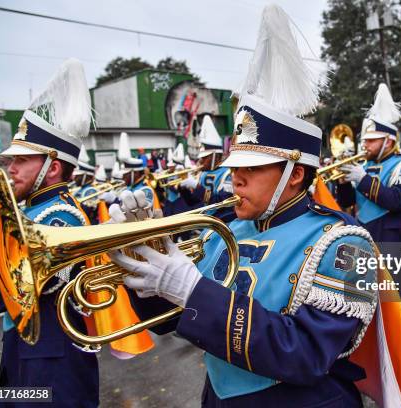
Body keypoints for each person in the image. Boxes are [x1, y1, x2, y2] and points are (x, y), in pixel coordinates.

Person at [109, 6, 377, 406]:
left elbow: (305, 355)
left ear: (296, 173)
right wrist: (145, 260)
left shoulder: (348, 245)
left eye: (252, 168)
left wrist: (193, 290)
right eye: (236, 166)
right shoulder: (225, 228)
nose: (236, 178)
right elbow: (169, 321)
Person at [0, 58, 99, 407]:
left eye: (22, 160)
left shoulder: (60, 218)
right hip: (21, 355)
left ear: (53, 168)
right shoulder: (29, 211)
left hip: (52, 368)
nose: (10, 167)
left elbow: (0, 288)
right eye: (11, 160)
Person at [336, 83, 401, 329]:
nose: (366, 145)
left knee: (399, 308)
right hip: (364, 241)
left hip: (396, 242)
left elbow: (398, 201)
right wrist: (343, 183)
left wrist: (362, 179)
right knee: (362, 305)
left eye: (373, 140)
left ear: (389, 140)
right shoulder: (363, 166)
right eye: (366, 140)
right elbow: (348, 204)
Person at [180, 114, 235, 222]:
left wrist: (197, 186)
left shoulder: (228, 173)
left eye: (205, 158)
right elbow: (193, 202)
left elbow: (224, 202)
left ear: (215, 156)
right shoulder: (203, 173)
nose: (200, 161)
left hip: (224, 222)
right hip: (207, 222)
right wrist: (183, 190)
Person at [117, 131, 160, 209]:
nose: (123, 178)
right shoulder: (129, 187)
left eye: (125, 174)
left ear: (135, 173)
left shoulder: (145, 190)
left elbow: (143, 214)